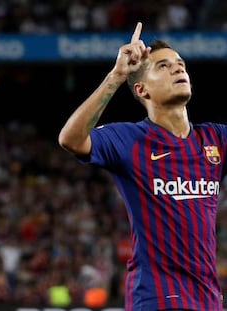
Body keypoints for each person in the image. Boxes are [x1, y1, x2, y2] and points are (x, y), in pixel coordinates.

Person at [58, 21, 226, 311]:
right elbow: (71, 139)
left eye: (180, 63)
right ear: (142, 89)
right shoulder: (130, 139)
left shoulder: (215, 139)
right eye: (163, 66)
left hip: (208, 299)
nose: (178, 68)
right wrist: (116, 75)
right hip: (157, 298)